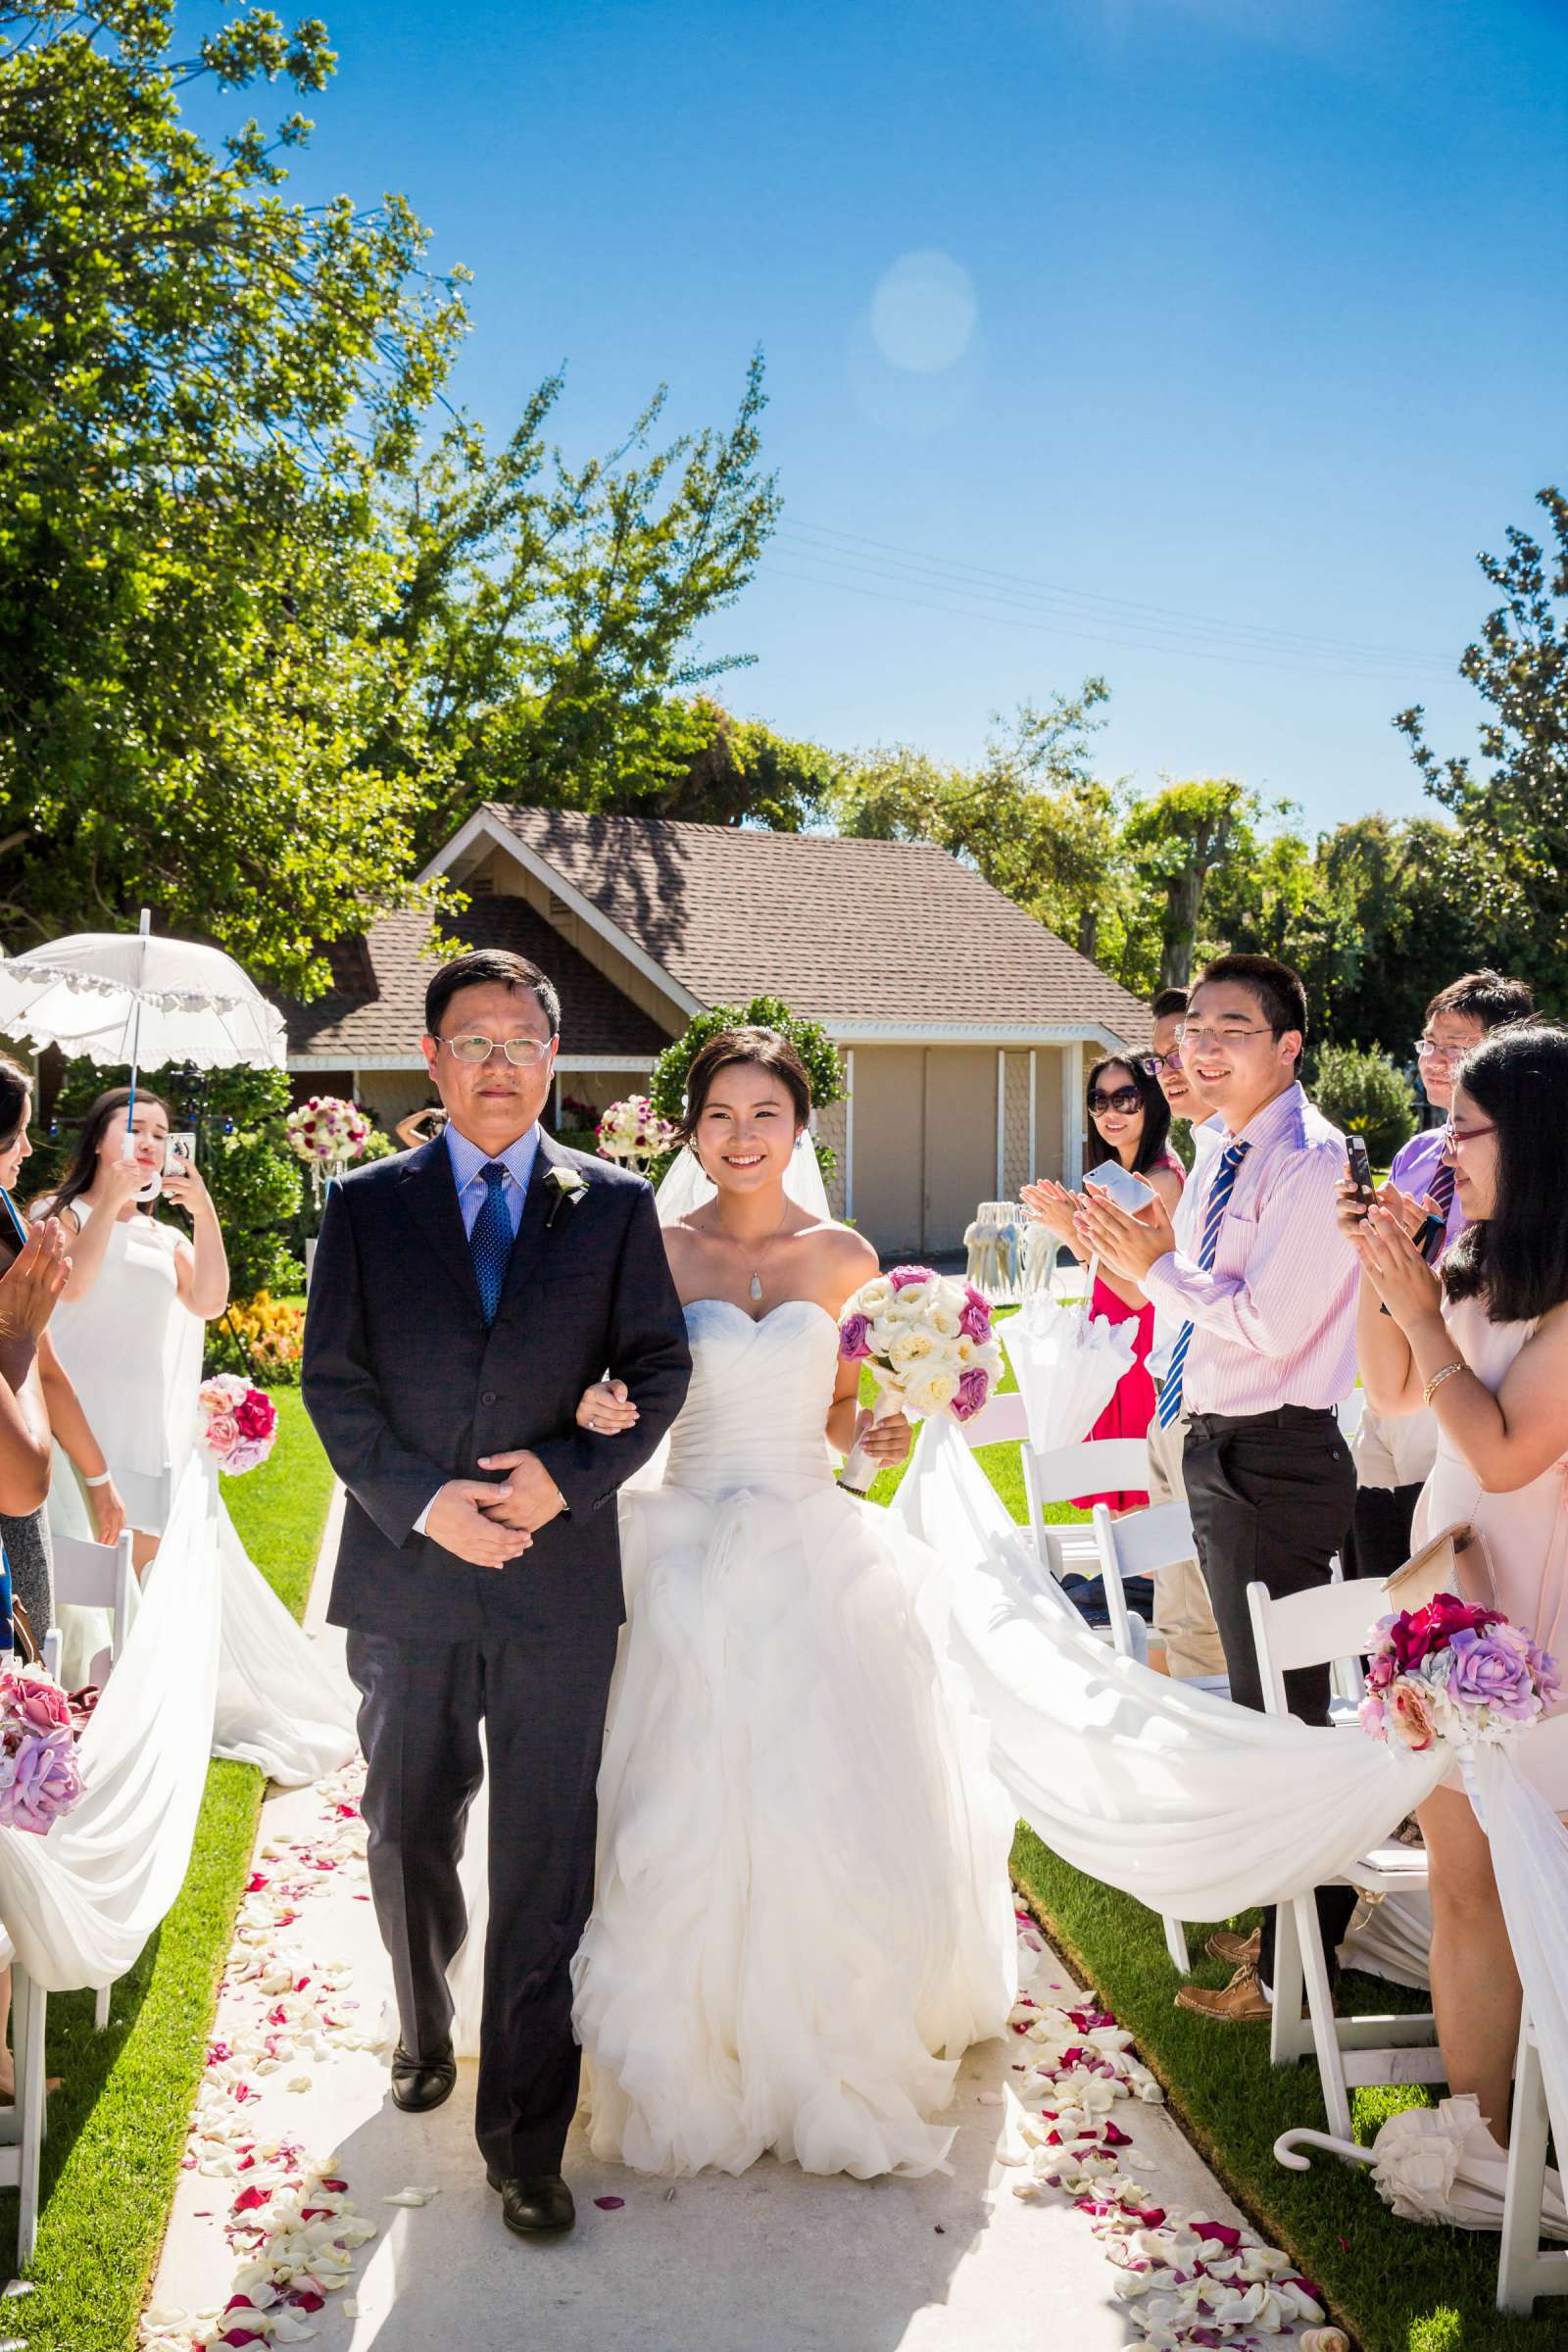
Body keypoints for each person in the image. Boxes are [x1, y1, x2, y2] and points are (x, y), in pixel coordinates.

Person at [566, 1027, 1016, 2179]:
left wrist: (872, 1432)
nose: (742, 1136)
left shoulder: (846, 1255)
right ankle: (686, 2034)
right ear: (691, 1129)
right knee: (680, 1792)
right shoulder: (653, 1249)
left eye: (765, 1112)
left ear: (800, 1127)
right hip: (683, 1532)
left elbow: (841, 1418)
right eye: (719, 1114)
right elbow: (622, 1389)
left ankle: (826, 2027)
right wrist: (606, 1408)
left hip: (812, 1539)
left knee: (822, 1789)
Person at [301, 948, 694, 2244]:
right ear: (432, 1057)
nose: (499, 1064)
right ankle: (423, 2019)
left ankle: (524, 2139)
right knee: (408, 1823)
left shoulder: (615, 1206)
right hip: (409, 1584)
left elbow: (657, 1368)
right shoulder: (364, 1207)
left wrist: (565, 1480)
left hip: (557, 1591)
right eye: (473, 1041)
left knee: (543, 1860)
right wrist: (427, 1505)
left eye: (523, 1042)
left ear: (552, 1058)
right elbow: (335, 1388)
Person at [1076, 953, 1359, 2022]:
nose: (1200, 1043)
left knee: (1285, 1721)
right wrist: (1119, 1248)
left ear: (1287, 1047)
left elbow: (1269, 1325)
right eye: (1193, 1024)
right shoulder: (1217, 1146)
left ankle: (1298, 1975)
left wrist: (1150, 1265)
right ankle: (1280, 1929)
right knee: (1257, 1713)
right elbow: (1196, 1295)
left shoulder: (1311, 1160)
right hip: (1216, 1440)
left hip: (1276, 1455)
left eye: (1231, 1026)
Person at [1348, 1022, 1568, 2143]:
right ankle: (1483, 2138)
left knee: (1544, 1889)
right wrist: (1378, 1272)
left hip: (1544, 1619)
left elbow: (1502, 1450)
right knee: (1460, 1884)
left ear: (1529, 1141)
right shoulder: (1471, 1266)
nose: (1446, 1149)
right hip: (1449, 1605)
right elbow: (1391, 1392)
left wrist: (1420, 1310)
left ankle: (1542, 2129)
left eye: (1463, 1128)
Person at [1342, 970, 1535, 1584]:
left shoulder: (1532, 1194)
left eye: (1454, 1046)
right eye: (1428, 1043)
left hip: (1474, 1382)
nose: (1433, 1059)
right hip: (1406, 1363)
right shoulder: (1420, 1153)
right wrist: (1377, 1242)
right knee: (1385, 1563)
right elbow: (1387, 1390)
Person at [34, 1088, 229, 1575]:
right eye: (134, 1128)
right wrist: (110, 1203)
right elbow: (74, 1286)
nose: (149, 1141)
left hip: (140, 1432)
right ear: (98, 1141)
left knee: (132, 1588)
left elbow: (209, 1301)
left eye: (160, 1134)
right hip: (68, 1425)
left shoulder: (164, 1238)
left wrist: (203, 1212)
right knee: (72, 1587)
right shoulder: (55, 1215)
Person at [1020, 1054, 1183, 1511]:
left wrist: (1071, 1229)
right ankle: (1128, 1581)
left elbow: (1136, 1289)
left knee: (1140, 1494)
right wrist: (1075, 1224)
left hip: (1140, 1347)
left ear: (1151, 1102)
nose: (1110, 1112)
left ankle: (1142, 1585)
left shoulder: (1161, 1180)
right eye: (1099, 1100)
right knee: (1116, 1497)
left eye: (1125, 1098)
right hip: (1113, 1347)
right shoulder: (1118, 1179)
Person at [0, 1057, 126, 1641]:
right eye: (16, 1134)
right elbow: (24, 1482)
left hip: (20, 1536)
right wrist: (15, 1335)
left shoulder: (12, 1231)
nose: (27, 1151)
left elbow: (49, 1371)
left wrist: (99, 1480)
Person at [1139, 988, 1228, 1681]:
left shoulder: (1230, 1160)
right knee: (1174, 1610)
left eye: (1187, 1047)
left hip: (1213, 1415)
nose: (1172, 1066)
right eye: (1162, 1053)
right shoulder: (1204, 1157)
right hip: (1169, 1402)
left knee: (1202, 1621)